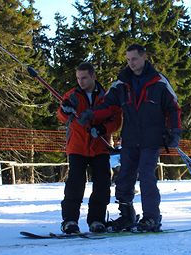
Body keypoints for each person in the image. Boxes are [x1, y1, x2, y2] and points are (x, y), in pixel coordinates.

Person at [80, 44, 181, 232]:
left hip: (151, 139)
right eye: (128, 60)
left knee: (147, 177)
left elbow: (173, 108)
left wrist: (174, 131)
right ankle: (127, 214)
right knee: (124, 177)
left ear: (143, 57)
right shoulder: (121, 83)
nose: (131, 63)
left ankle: (151, 217)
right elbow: (108, 105)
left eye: (134, 59)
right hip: (130, 139)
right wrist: (92, 114)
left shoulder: (159, 82)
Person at [57, 62, 122, 234]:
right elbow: (62, 116)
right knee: (75, 184)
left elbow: (115, 120)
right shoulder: (72, 96)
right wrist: (65, 111)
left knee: (102, 184)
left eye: (84, 77)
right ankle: (70, 220)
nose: (81, 82)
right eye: (78, 78)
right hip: (77, 147)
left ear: (93, 76)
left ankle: (97, 220)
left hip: (99, 146)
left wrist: (102, 129)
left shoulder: (107, 97)